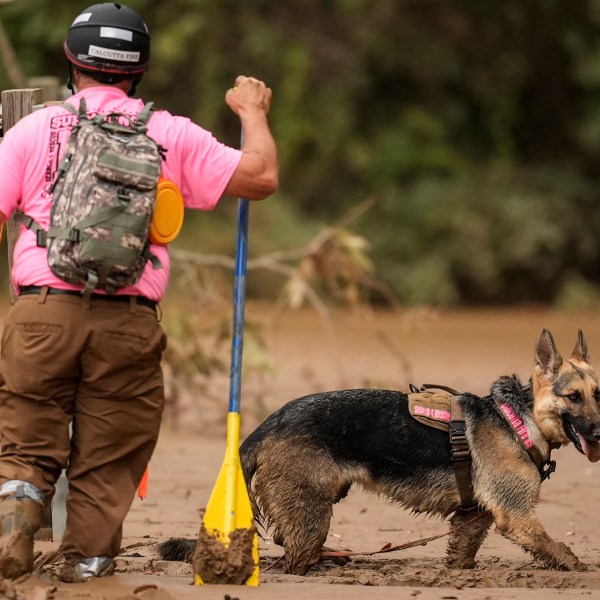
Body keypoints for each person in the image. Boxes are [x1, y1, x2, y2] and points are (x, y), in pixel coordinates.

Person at [0, 2, 277, 583]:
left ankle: (12, 537)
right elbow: (260, 178)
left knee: (26, 436)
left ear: (72, 62)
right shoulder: (168, 132)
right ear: (138, 70)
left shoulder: (34, 128)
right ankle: (88, 562)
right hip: (129, 321)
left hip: (39, 315)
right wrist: (251, 112)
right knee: (110, 452)